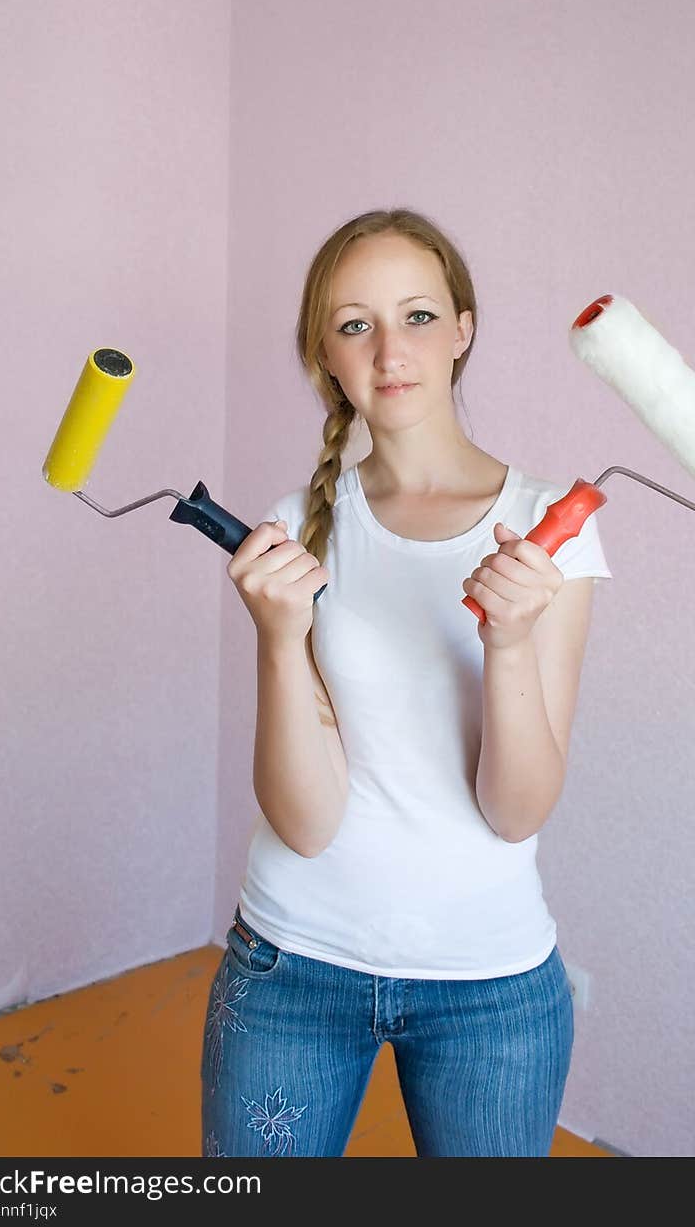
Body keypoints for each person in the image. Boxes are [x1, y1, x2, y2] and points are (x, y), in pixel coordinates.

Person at [199, 208, 612, 1158]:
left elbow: (517, 812)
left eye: (419, 316)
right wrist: (278, 638)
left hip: (491, 991)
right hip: (289, 970)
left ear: (463, 329)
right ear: (325, 356)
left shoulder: (552, 527)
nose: (390, 349)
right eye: (354, 324)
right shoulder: (291, 526)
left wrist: (509, 643)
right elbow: (304, 822)